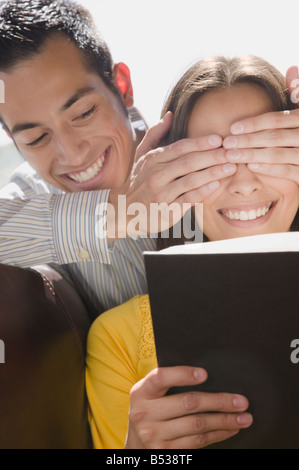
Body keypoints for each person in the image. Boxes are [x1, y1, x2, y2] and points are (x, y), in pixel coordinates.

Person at [85, 55, 299, 449]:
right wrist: (138, 454)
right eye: (211, 162)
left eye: (265, 149)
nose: (244, 184)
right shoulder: (119, 339)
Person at [0, 0, 237, 311]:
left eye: (83, 113)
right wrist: (121, 213)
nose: (72, 154)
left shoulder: (200, 145)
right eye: (36, 138)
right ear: (12, 139)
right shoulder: (32, 200)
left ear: (122, 86)